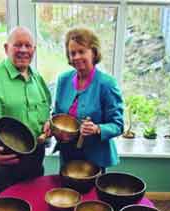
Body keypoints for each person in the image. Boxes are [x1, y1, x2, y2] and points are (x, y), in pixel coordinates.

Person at [0, 26, 51, 197]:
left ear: (34, 50)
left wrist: (48, 124)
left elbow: (46, 113)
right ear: (6, 48)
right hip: (3, 163)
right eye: (17, 45)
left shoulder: (38, 80)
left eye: (28, 46)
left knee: (32, 207)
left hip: (35, 163)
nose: (23, 50)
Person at [44, 28, 124, 171]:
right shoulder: (63, 80)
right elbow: (57, 114)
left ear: (93, 52)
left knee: (91, 194)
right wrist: (52, 125)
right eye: (72, 53)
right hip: (67, 154)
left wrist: (97, 128)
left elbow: (118, 125)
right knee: (66, 192)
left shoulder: (107, 84)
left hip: (94, 159)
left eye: (81, 51)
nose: (76, 57)